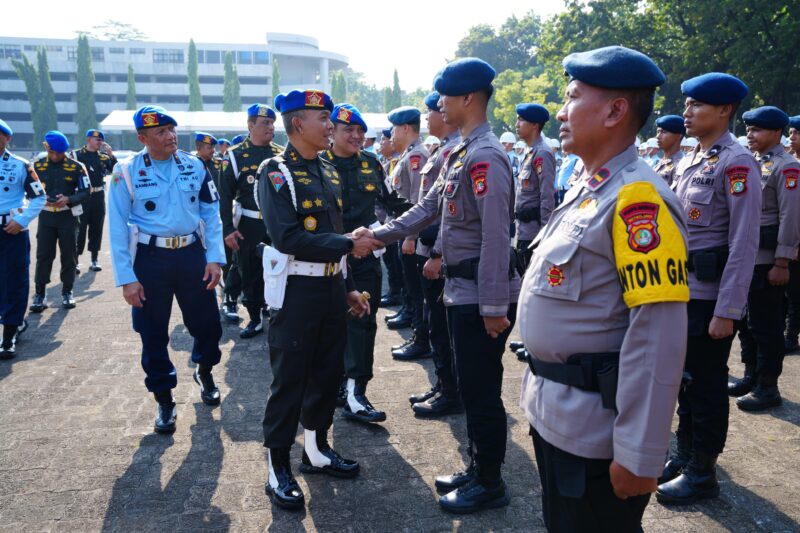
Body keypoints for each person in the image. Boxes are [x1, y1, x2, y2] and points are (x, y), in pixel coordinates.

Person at [519, 45, 688, 532]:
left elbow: (657, 336)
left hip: (594, 432)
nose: (560, 111)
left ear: (615, 111)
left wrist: (640, 452)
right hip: (556, 414)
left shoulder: (638, 200)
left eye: (572, 97)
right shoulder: (590, 186)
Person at [356, 57, 519, 513]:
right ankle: (478, 467)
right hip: (460, 291)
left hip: (479, 295)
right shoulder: (462, 152)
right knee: (470, 385)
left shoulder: (486, 157)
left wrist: (493, 306)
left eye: (445, 96)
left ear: (468, 98)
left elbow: (495, 236)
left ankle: (490, 482)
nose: (440, 104)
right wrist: (378, 235)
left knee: (482, 392)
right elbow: (427, 208)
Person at [256, 89, 377, 510]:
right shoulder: (276, 172)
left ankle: (316, 450)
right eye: (323, 118)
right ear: (297, 124)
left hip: (329, 288)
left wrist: (347, 287)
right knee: (290, 379)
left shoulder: (327, 168)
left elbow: (333, 232)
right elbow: (287, 237)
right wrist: (347, 244)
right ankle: (277, 467)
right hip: (296, 291)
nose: (330, 125)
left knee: (327, 374)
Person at [656, 73, 761, 505]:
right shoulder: (692, 159)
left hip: (709, 298)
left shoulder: (737, 163)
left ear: (723, 110)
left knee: (707, 386)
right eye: (687, 104)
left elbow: (744, 241)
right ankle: (684, 454)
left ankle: (703, 472)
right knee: (685, 381)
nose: (687, 112)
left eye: (696, 104)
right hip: (682, 291)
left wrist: (728, 309)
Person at [108, 105, 226, 433]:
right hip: (150, 259)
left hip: (192, 255)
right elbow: (117, 226)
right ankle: (164, 398)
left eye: (172, 129)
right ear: (142, 138)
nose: (170, 136)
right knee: (152, 331)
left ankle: (205, 370)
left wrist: (214, 257)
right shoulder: (126, 171)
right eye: (161, 132)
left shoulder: (194, 165)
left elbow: (211, 212)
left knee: (208, 323)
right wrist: (127, 278)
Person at [322, 103, 410, 423]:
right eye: (349, 130)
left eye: (361, 130)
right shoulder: (317, 164)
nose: (357, 136)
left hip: (364, 259)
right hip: (328, 260)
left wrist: (423, 215)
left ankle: (356, 391)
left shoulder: (372, 164)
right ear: (332, 131)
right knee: (329, 324)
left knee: (362, 321)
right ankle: (335, 385)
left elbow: (393, 202)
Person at [727, 106, 800, 412]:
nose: (750, 134)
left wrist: (782, 261)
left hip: (768, 258)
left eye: (757, 129)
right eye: (748, 129)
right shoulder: (755, 161)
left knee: (766, 325)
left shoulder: (787, 167)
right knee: (746, 322)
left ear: (776, 132)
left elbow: (791, 216)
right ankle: (751, 375)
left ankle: (768, 387)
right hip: (748, 255)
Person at [405, 90, 463, 417]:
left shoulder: (454, 151)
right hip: (429, 247)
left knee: (441, 325)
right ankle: (444, 384)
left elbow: (449, 213)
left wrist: (438, 254)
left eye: (432, 111)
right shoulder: (441, 149)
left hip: (438, 253)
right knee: (434, 321)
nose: (428, 117)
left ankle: (451, 392)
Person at [219, 104, 284, 338]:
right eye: (265, 123)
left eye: (272, 123)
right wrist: (228, 229)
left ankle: (276, 311)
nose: (271, 127)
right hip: (249, 223)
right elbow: (225, 196)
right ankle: (255, 317)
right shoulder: (234, 155)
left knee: (279, 268)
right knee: (250, 271)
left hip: (277, 224)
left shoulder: (281, 153)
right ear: (250, 125)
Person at [386, 106, 431, 359]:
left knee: (416, 289)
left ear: (405, 128)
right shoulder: (408, 155)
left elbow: (416, 201)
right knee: (411, 286)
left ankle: (421, 339)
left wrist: (411, 236)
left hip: (411, 233)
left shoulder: (417, 156)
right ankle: (417, 331)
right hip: (404, 230)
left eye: (395, 129)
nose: (392, 134)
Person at [0, 119, 46, 359]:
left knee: (14, 281)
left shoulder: (21, 165)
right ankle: (13, 320)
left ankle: (8, 336)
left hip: (12, 230)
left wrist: (22, 220)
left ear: (7, 138)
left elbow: (39, 197)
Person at [30, 131, 90, 312]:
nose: (55, 156)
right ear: (46, 148)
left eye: (59, 153)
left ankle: (67, 291)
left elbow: (86, 191)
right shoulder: (37, 166)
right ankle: (40, 294)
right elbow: (29, 190)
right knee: (43, 256)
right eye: (52, 152)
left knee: (69, 256)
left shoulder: (77, 167)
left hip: (68, 217)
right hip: (46, 217)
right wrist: (42, 200)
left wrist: (69, 199)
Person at [73, 129, 116, 272]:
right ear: (89, 140)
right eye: (97, 140)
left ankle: (94, 259)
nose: (100, 143)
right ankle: (75, 260)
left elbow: (115, 171)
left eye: (101, 140)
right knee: (80, 228)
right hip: (81, 196)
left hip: (98, 196)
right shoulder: (76, 155)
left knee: (97, 228)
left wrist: (111, 155)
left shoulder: (103, 157)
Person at [376, 127, 405, 308]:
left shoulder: (396, 162)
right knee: (390, 260)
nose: (381, 143)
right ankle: (395, 292)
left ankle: (397, 294)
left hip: (393, 220)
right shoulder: (386, 162)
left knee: (395, 261)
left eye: (383, 140)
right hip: (384, 219)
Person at [784, 115, 800, 351]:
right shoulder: (789, 162)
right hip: (790, 236)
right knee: (791, 291)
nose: (792, 137)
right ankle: (790, 335)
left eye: (797, 133)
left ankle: (790, 335)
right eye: (791, 133)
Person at [653, 115, 685, 185]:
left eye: (664, 132)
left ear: (678, 136)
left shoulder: (681, 164)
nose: (658, 136)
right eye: (658, 132)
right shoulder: (660, 162)